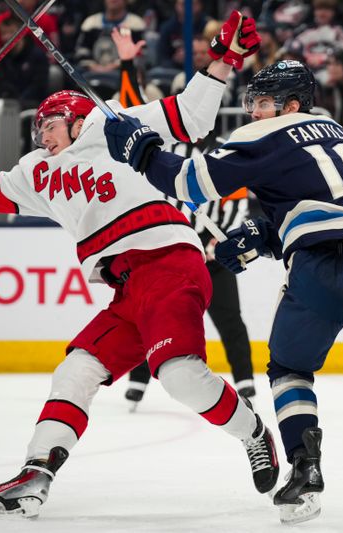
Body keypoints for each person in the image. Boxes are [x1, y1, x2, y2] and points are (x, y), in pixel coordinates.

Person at [0, 12, 279, 520]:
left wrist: (226, 59)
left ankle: (254, 432)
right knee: (74, 371)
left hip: (170, 262)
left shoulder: (113, 124)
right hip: (126, 289)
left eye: (50, 125)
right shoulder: (38, 172)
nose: (43, 136)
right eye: (38, 129)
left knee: (181, 376)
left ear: (78, 118)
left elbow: (191, 117)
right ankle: (36, 472)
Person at [104, 59, 343, 531]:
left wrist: (142, 151)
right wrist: (261, 236)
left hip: (321, 268)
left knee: (290, 368)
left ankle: (304, 470)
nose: (253, 113)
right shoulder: (335, 131)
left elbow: (187, 183)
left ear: (292, 105)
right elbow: (323, 201)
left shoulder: (266, 135)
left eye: (263, 103)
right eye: (251, 103)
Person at [109, 25, 256, 407]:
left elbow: (237, 202)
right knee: (154, 317)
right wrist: (127, 62)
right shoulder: (168, 145)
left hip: (213, 253)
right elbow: (129, 108)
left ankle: (246, 384)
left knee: (230, 322)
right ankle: (139, 381)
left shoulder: (227, 151)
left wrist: (214, 241)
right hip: (174, 251)